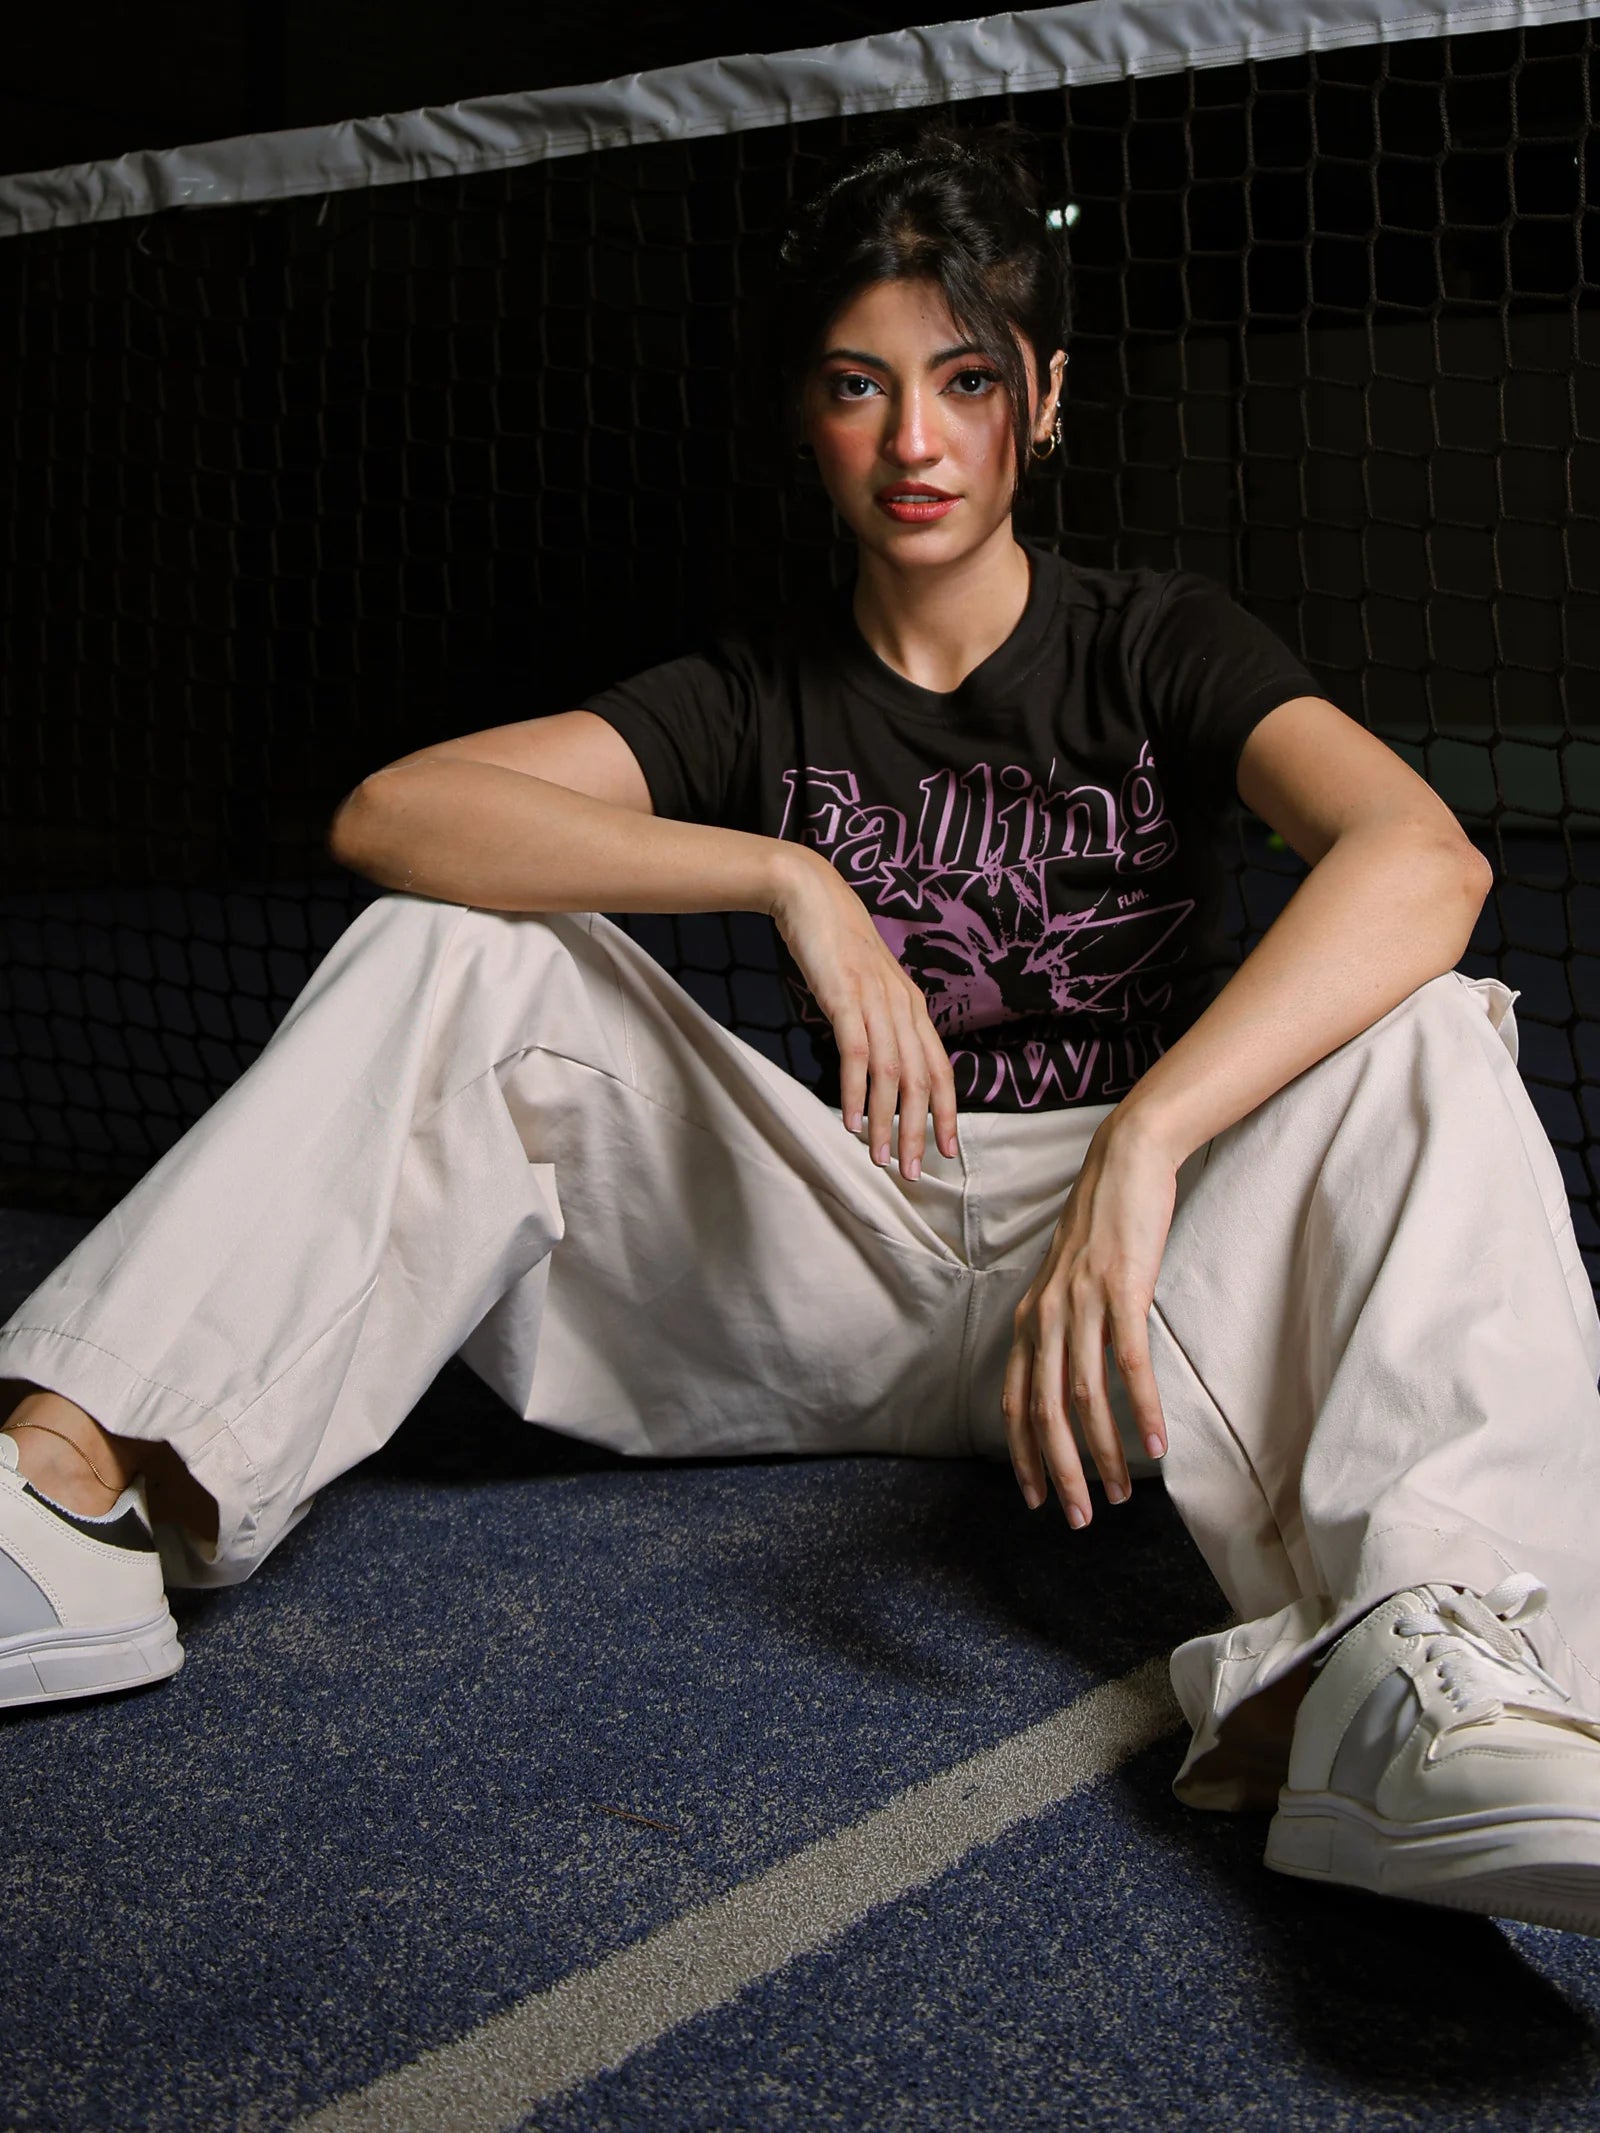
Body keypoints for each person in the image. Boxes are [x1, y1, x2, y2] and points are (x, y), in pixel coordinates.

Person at [4, 118, 1600, 1938]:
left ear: (1046, 400)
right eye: (860, 387)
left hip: (1138, 1294)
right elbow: (396, 812)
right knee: (453, 951)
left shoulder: (1161, 640)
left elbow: (1423, 853)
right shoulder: (751, 691)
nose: (915, 442)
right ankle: (63, 1493)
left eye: (964, 380)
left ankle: (1419, 1683)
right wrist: (784, 877)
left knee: (1428, 1028)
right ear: (810, 418)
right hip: (833, 1245)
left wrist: (1147, 1142)